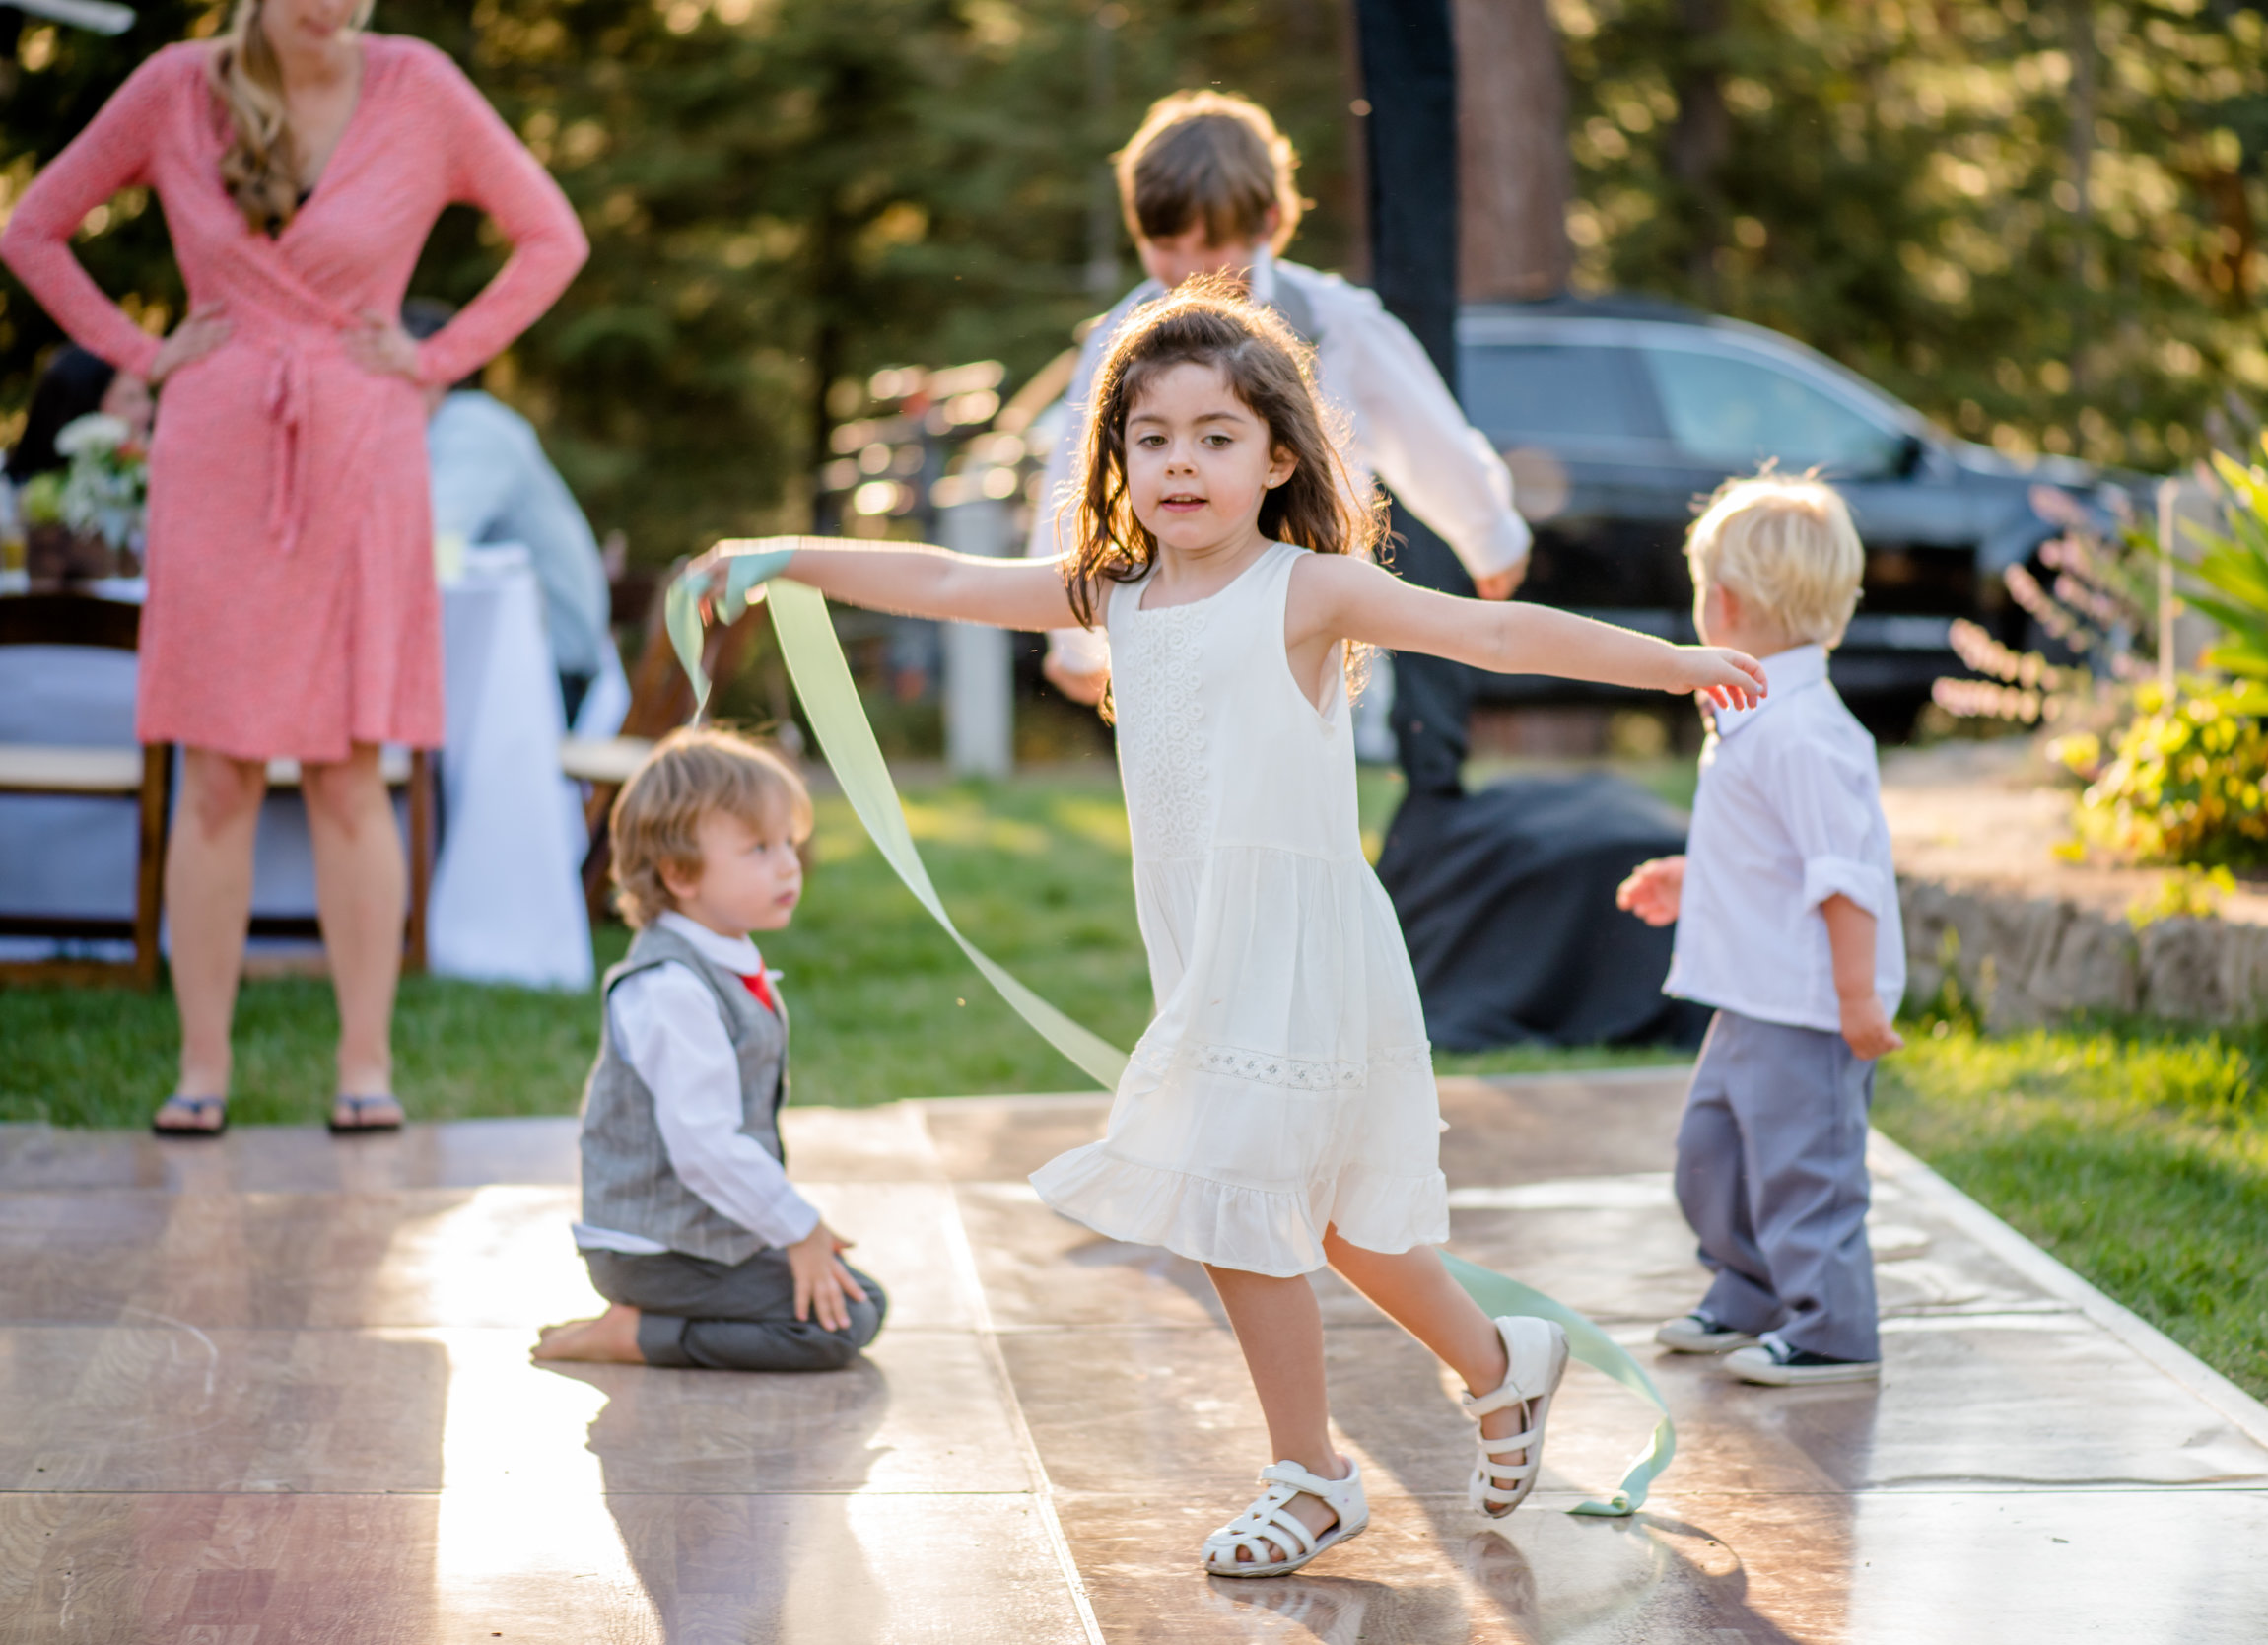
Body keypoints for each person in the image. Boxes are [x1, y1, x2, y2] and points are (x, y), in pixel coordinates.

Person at [689, 284, 1765, 1574]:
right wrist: (781, 558)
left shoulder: (1306, 590)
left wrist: (1671, 665)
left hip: (1303, 946)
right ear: (1119, 461)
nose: (1180, 461)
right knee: (1339, 1226)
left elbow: (1485, 629)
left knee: (1240, 1202)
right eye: (1151, 437)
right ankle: (1497, 1359)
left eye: (1214, 435)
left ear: (1279, 458)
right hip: (1204, 947)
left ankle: (1312, 1475)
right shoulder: (1116, 599)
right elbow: (940, 574)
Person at [0, 0, 586, 1136]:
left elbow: (551, 236)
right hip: (218, 445)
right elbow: (32, 227)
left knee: (348, 770)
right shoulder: (176, 87)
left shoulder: (419, 84)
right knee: (216, 770)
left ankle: (365, 1066)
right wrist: (144, 353)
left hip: (365, 447)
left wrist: (434, 360)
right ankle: (200, 1067)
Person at [1032, 89, 1530, 777]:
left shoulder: (1334, 324)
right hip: (1178, 618)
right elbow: (1077, 478)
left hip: (1308, 614)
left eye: (1211, 243)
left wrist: (1488, 532)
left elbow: (1427, 430)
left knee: (1293, 805)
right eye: (1164, 246)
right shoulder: (1124, 342)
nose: (1187, 270)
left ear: (1269, 221)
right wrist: (1077, 641)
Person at [1615, 473, 1906, 1387]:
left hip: (1808, 1002)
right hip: (1749, 992)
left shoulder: (1802, 733)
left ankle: (1832, 1327)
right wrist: (1694, 877)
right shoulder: (1755, 712)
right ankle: (1749, 1289)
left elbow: (1843, 876)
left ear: (1725, 602)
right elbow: (1777, 856)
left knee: (1803, 1168)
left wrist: (1855, 999)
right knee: (1713, 1155)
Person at [533, 727, 888, 1371]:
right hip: (652, 1247)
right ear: (679, 871)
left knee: (861, 1299)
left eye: (788, 842)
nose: (788, 864)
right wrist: (798, 1227)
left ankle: (647, 1319)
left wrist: (793, 1233)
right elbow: (704, 1147)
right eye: (758, 848)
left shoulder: (719, 959)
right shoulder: (671, 988)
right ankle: (636, 1334)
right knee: (839, 1326)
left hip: (704, 1235)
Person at [402, 297, 610, 723]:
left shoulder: (473, 429)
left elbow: (429, 542)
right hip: (511, 667)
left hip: (545, 673)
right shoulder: (445, 431)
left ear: (436, 370)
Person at [4, 343, 156, 486]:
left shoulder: (145, 476)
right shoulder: (10, 494)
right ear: (86, 407)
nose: (149, 409)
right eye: (131, 398)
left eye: (147, 395)